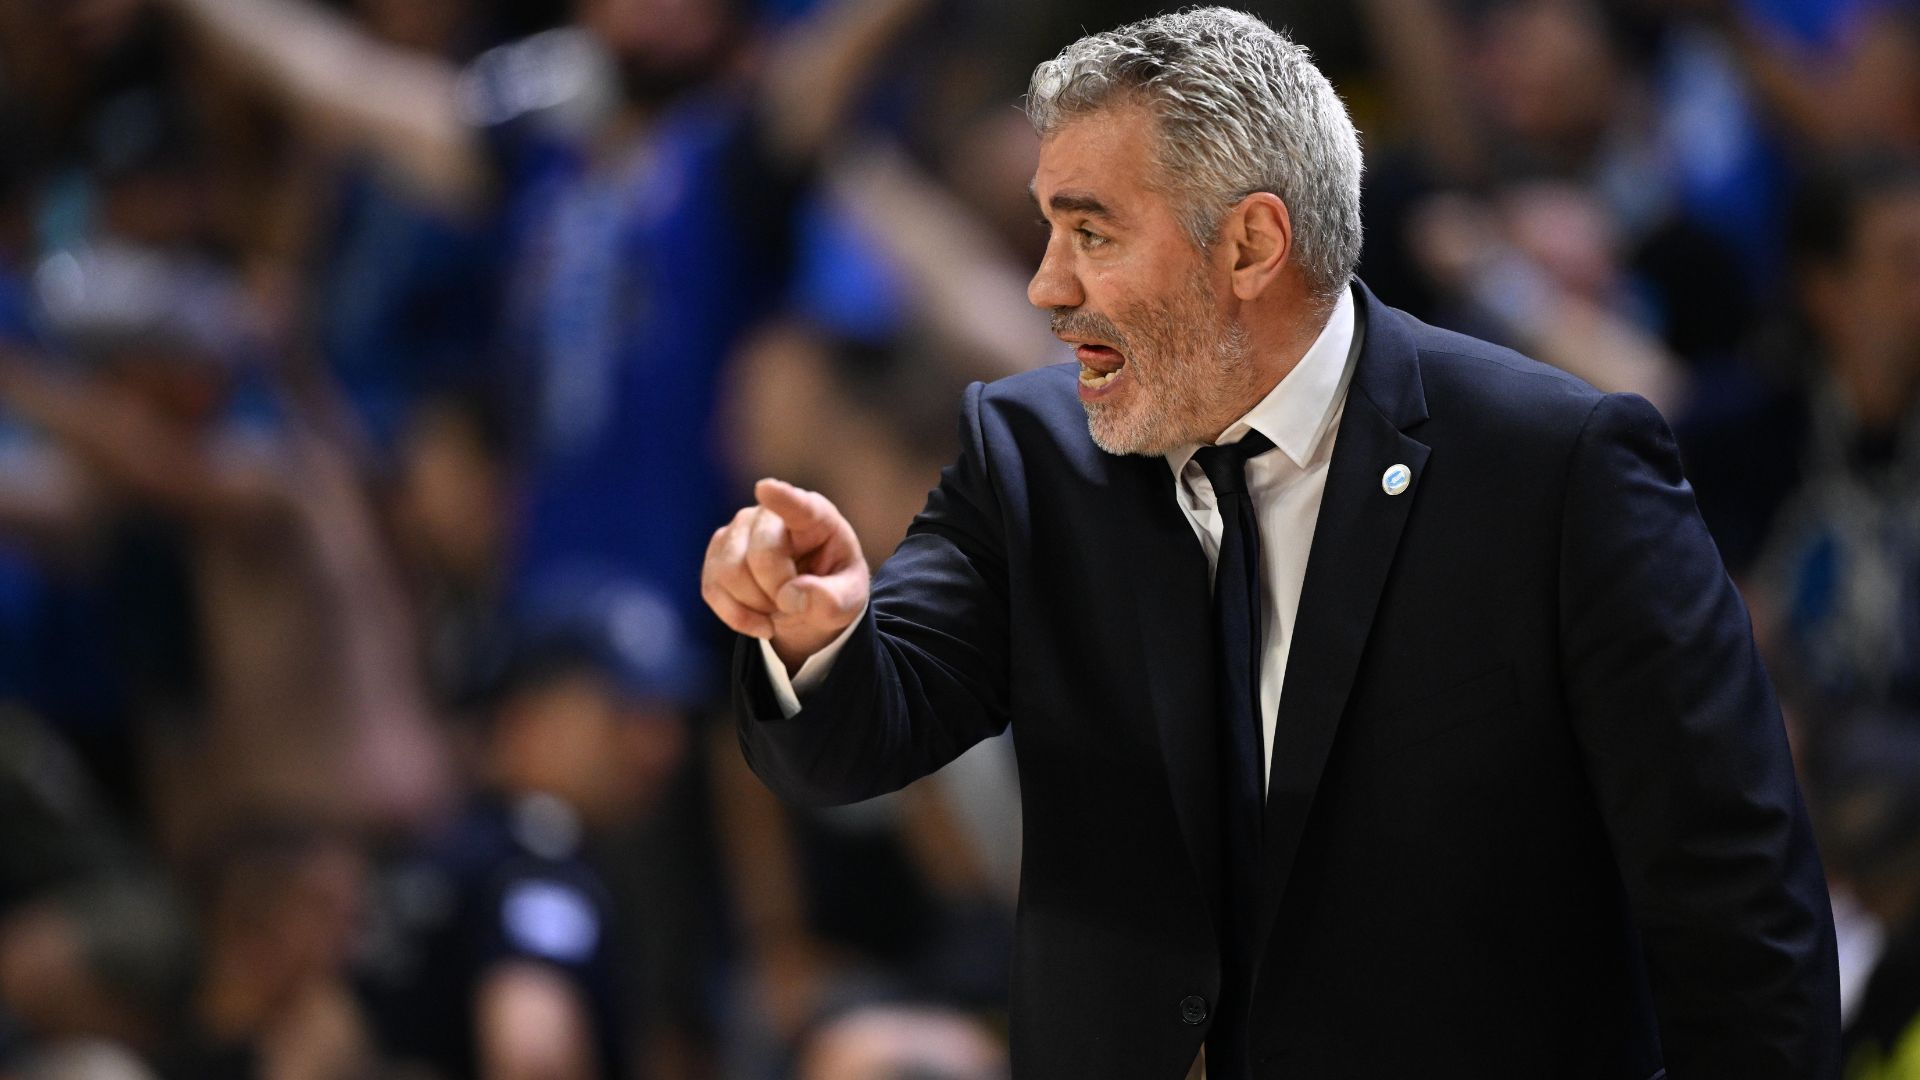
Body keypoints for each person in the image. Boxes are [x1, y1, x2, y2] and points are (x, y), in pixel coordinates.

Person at [702, 8, 1840, 1079]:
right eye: (1048, 229)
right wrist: (819, 639)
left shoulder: (1555, 467)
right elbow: (852, 742)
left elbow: (1734, 899)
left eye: (1091, 233)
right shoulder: (1032, 452)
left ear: (1250, 245)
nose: (1046, 286)